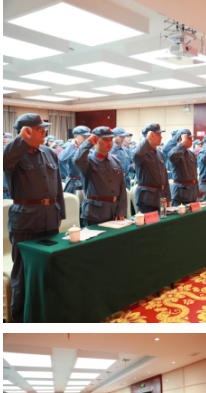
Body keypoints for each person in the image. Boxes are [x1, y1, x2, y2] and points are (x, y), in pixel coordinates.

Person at [3, 114, 65, 323]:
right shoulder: (14, 153)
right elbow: (4, 161)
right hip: (25, 221)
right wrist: (20, 140)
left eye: (44, 128)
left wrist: (60, 213)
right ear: (26, 131)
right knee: (23, 272)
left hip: (50, 217)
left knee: (48, 267)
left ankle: (44, 313)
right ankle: (20, 319)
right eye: (39, 129)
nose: (44, 131)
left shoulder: (49, 153)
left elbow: (57, 188)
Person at [74, 127, 127, 226]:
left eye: (111, 140)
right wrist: (88, 143)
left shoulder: (116, 161)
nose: (109, 143)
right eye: (105, 140)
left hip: (114, 211)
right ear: (95, 141)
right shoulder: (88, 161)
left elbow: (122, 188)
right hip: (95, 212)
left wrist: (121, 210)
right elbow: (77, 160)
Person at [134, 124, 171, 213]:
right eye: (158, 134)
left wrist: (168, 197)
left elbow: (164, 176)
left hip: (160, 197)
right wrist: (146, 139)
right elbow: (137, 155)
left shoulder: (159, 153)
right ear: (150, 136)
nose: (161, 137)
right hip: (146, 199)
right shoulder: (141, 152)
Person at [169, 128, 199, 205]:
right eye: (189, 138)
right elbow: (172, 156)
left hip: (192, 193)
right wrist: (183, 144)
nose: (192, 140)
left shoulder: (191, 153)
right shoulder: (174, 151)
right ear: (180, 139)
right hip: (180, 195)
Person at [61, 126, 91, 192]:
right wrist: (72, 146)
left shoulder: (90, 148)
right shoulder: (71, 148)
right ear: (75, 136)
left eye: (88, 136)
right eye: (84, 136)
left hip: (88, 183)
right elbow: (61, 160)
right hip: (75, 183)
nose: (87, 138)